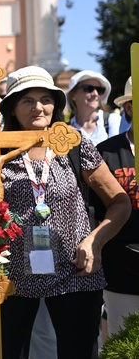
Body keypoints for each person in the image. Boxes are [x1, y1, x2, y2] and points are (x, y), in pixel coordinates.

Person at [0, 66, 130, 358]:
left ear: (56, 105)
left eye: (45, 99)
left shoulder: (74, 143)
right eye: (27, 100)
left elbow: (120, 202)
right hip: (12, 275)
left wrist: (95, 241)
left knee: (79, 353)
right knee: (8, 353)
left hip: (76, 269)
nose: (38, 107)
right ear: (13, 109)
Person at [95, 77, 139, 339]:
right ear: (130, 108)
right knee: (124, 344)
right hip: (121, 271)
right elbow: (96, 211)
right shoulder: (107, 153)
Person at [67, 70, 122, 145]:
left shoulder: (112, 121)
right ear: (73, 95)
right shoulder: (65, 129)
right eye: (89, 88)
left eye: (100, 90)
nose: (95, 94)